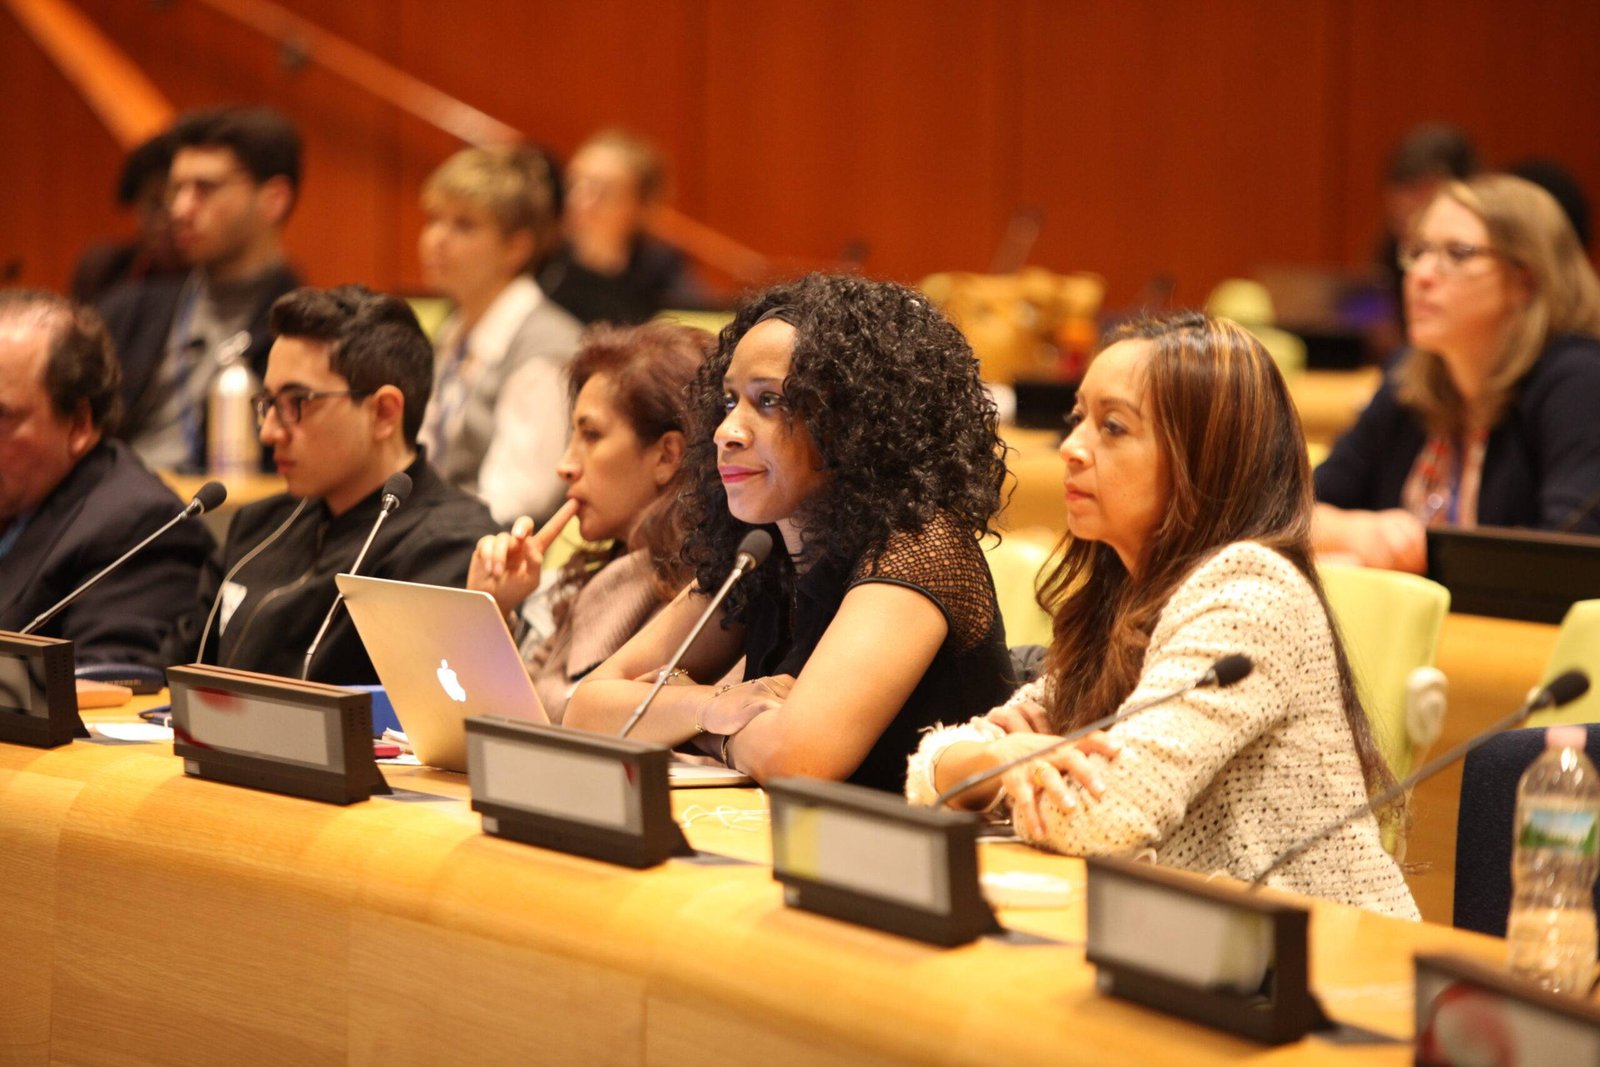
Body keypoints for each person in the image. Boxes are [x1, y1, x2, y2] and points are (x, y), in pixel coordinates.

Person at [908, 313, 1419, 919]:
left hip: (1325, 963)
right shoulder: (1126, 593)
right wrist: (998, 763)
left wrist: (1003, 773)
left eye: (1113, 427)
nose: (1072, 448)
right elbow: (935, 772)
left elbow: (1105, 817)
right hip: (1195, 945)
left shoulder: (1251, 596)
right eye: (1079, 419)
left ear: (1205, 457)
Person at [564, 274, 1013, 793]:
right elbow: (589, 706)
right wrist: (713, 706)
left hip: (917, 863)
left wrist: (705, 733)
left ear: (855, 422)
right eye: (731, 401)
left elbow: (797, 756)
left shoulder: (919, 547)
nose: (726, 431)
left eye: (770, 401)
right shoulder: (761, 550)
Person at [165, 286, 499, 685]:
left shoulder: (449, 549)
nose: (269, 432)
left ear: (384, 413)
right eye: (267, 403)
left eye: (297, 403)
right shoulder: (258, 529)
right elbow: (170, 678)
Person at [1315, 174, 1600, 571]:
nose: (1421, 276)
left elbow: (1568, 560)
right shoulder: (1408, 375)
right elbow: (1289, 511)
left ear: (1526, 281)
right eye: (1418, 251)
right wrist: (1358, 532)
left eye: (1459, 253)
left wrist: (1412, 562)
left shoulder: (1579, 382)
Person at [466, 321, 711, 721]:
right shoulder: (592, 581)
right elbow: (505, 722)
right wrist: (491, 608)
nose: (564, 465)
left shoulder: (711, 594)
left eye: (592, 435)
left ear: (667, 456)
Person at [0, 290, 211, 669]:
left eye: (2, 418)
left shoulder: (140, 527)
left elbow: (112, 686)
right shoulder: (18, 496)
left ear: (79, 423)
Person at [97, 106, 303, 472]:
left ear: (274, 199)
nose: (179, 209)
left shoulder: (306, 332)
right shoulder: (128, 311)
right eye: (177, 189)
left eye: (204, 189)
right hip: (121, 508)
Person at [417, 144, 583, 523]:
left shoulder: (546, 350)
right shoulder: (455, 330)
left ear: (516, 247)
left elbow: (513, 504)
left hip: (493, 562)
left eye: (463, 225)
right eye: (433, 219)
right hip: (437, 538)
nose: (436, 238)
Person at [539, 129, 705, 326]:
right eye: (574, 184)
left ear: (642, 206)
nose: (580, 201)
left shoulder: (663, 275)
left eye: (603, 192)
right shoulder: (540, 263)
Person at [69, 130, 183, 306]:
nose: (166, 218)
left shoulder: (217, 277)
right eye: (155, 204)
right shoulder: (105, 269)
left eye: (176, 202)